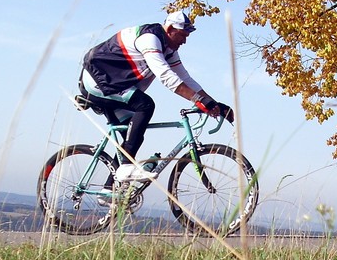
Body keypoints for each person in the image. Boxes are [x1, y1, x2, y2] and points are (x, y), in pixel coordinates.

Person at [79, 11, 234, 183]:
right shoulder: (149, 39)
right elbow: (166, 77)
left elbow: (185, 78)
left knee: (134, 135)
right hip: (98, 82)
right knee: (145, 105)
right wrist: (198, 99)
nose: (184, 41)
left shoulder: (169, 49)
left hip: (115, 85)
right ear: (169, 29)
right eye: (182, 35)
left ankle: (109, 189)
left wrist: (213, 103)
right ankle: (125, 169)